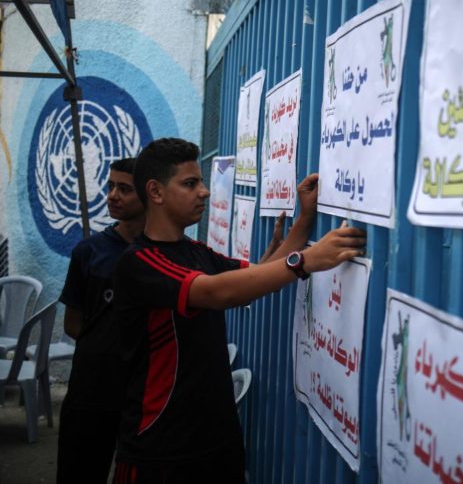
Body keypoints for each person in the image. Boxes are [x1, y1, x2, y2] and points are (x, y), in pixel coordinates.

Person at [111, 138, 366, 483]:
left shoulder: (195, 252)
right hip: (160, 451)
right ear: (155, 192)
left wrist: (305, 219)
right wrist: (306, 260)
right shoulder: (139, 262)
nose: (204, 191)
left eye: (201, 182)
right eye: (190, 183)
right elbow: (217, 292)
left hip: (217, 441)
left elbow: (261, 273)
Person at [57, 158, 145, 483]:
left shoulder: (163, 254)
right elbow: (72, 323)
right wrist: (105, 346)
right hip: (90, 391)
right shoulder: (89, 252)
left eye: (124, 189)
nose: (112, 195)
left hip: (142, 396)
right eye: (110, 187)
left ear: (149, 195)